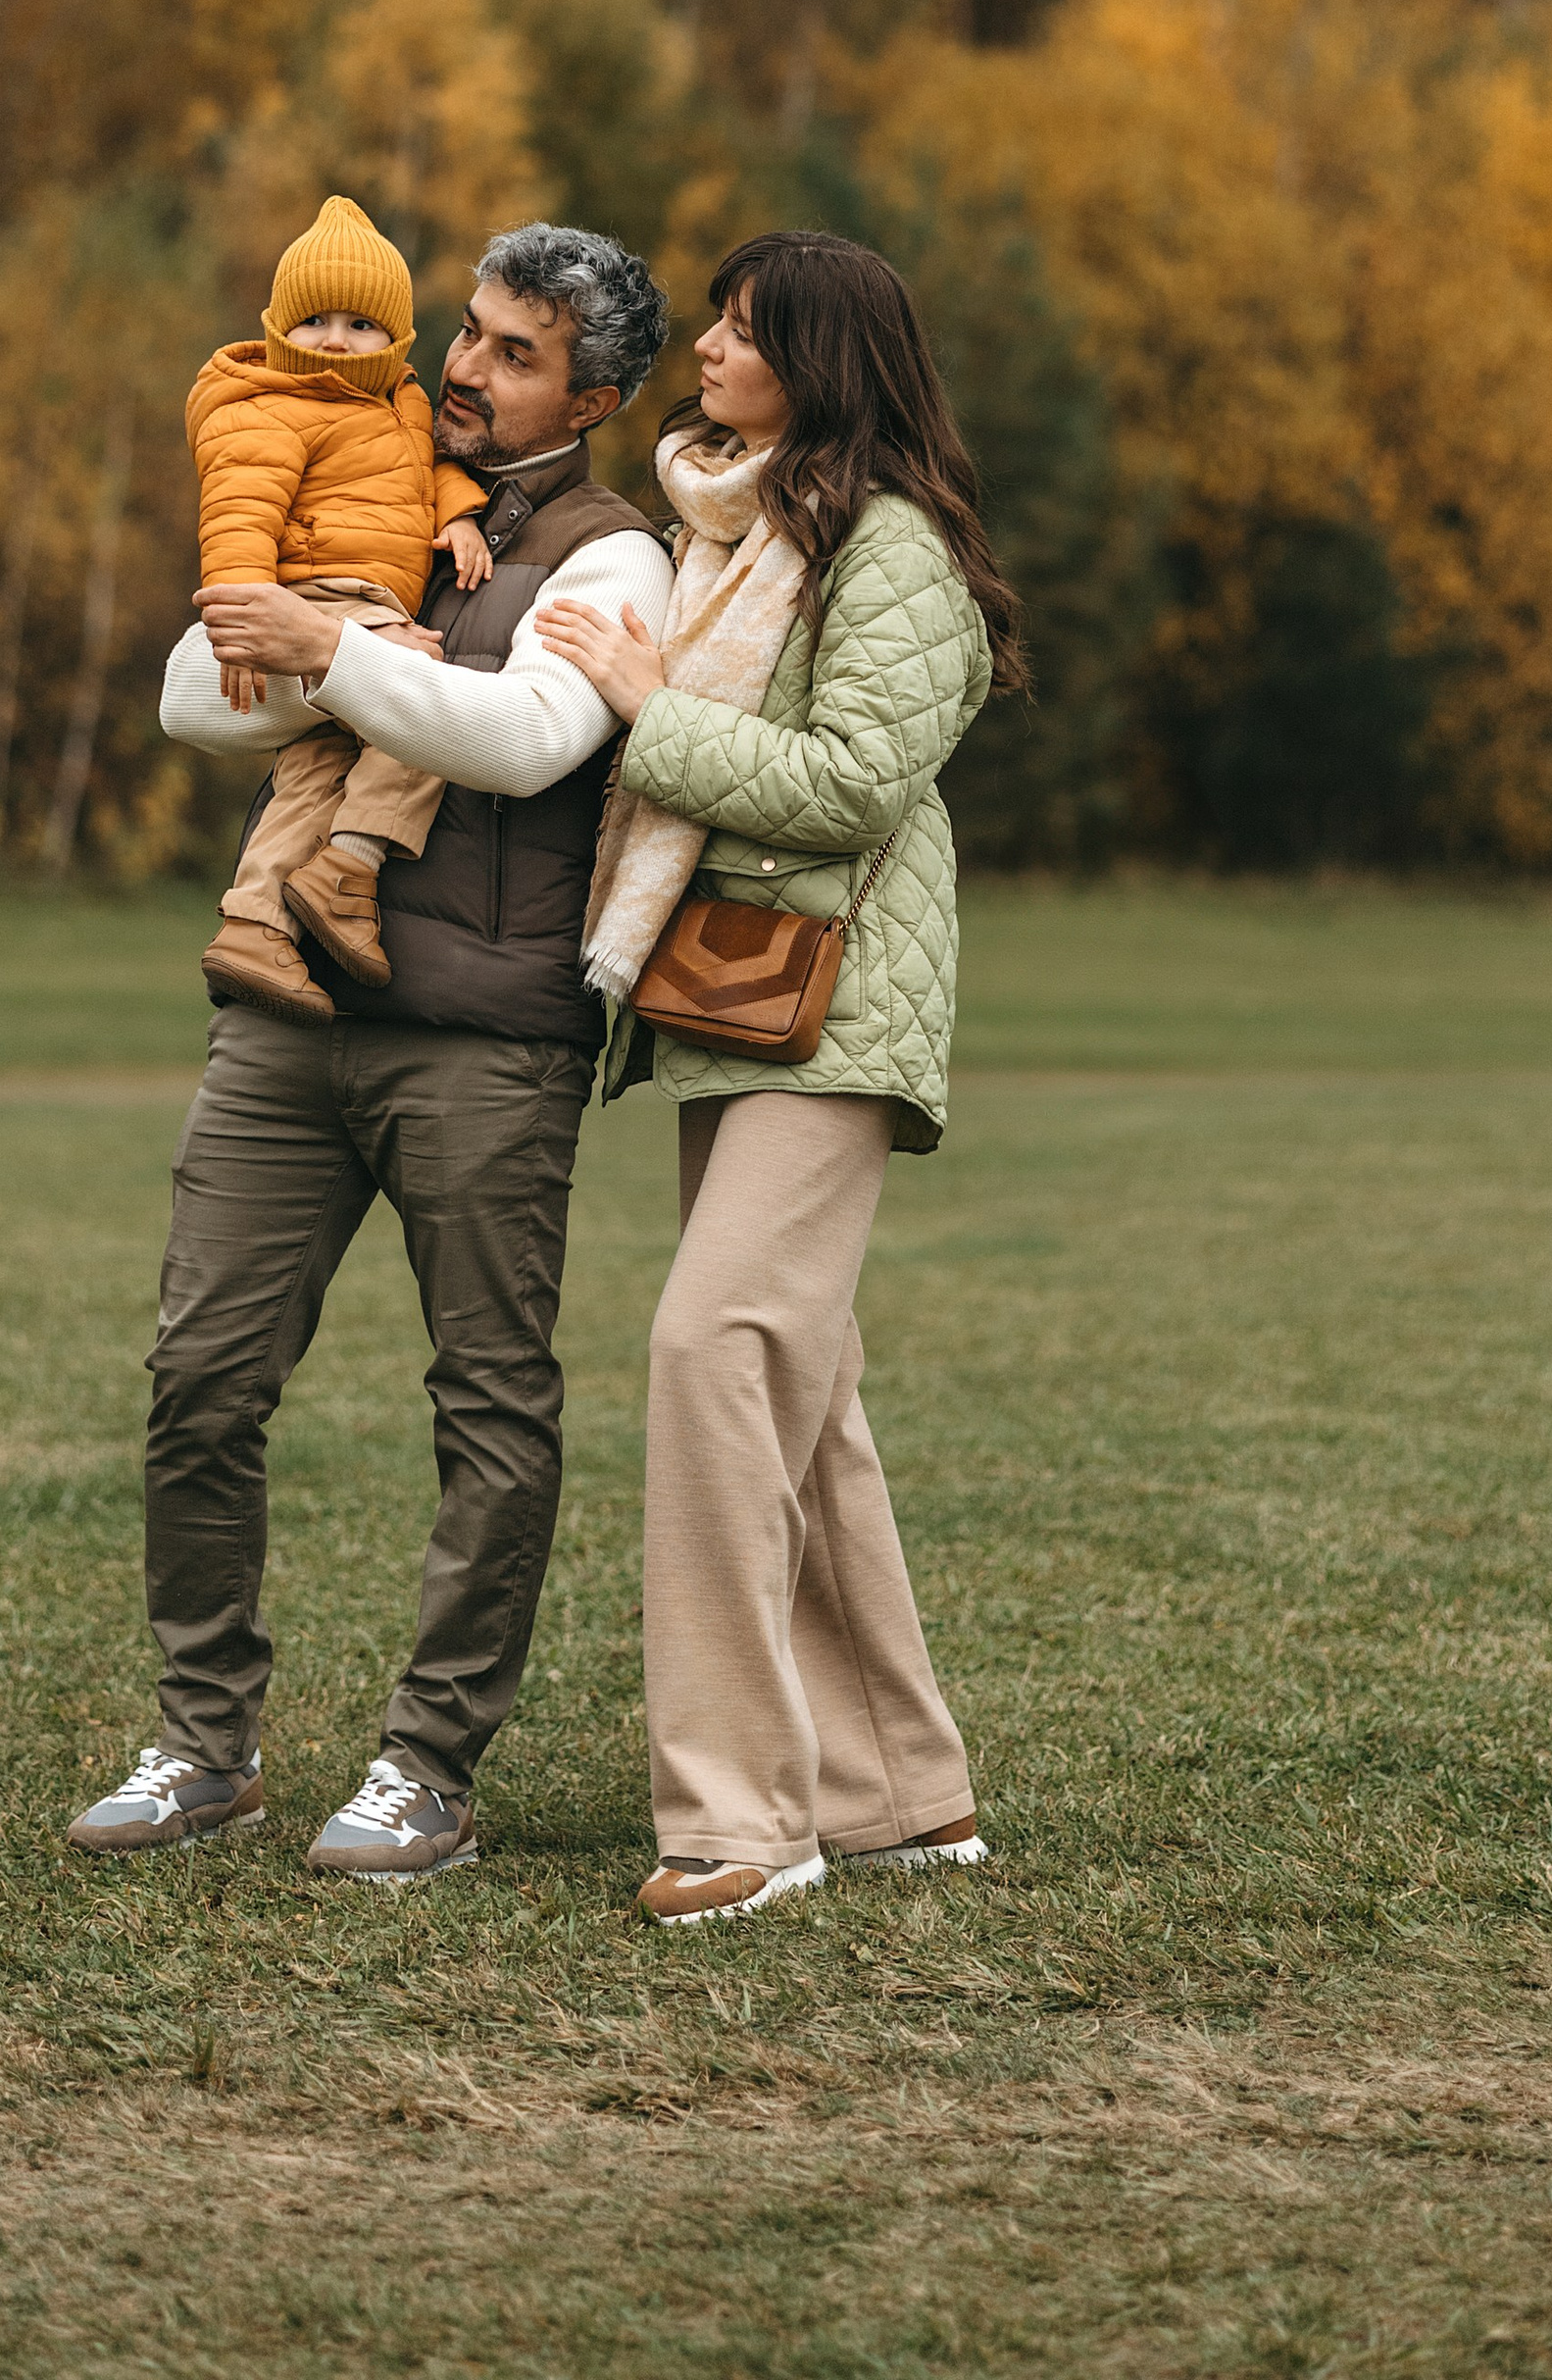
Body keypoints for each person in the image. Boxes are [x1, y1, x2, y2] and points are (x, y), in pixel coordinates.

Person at [65, 223, 673, 1884]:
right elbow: (200, 691)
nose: (465, 369)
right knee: (200, 1380)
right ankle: (205, 1744)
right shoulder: (373, 470)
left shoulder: (618, 560)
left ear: (596, 395)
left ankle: (430, 1770)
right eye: (467, 333)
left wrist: (332, 650)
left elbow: (527, 737)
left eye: (515, 353)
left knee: (487, 1402)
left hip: (481, 1043)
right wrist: (338, 635)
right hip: (285, 1017)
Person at [534, 229, 1027, 1927]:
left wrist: (650, 713)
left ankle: (749, 1819)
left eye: (748, 334)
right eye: (720, 329)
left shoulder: (890, 550)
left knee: (709, 1346)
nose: (713, 355)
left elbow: (851, 781)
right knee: (802, 1404)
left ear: (828, 365)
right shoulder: (738, 531)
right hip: (739, 1007)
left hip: (839, 1009)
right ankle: (896, 1792)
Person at [185, 192, 492, 1018]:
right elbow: (240, 512)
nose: (335, 339)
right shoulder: (269, 405)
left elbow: (421, 466)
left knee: (318, 766)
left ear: (396, 338)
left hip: (368, 595)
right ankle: (350, 866)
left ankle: (253, 925)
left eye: (361, 325)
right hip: (321, 591)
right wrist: (243, 623)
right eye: (316, 319)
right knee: (421, 690)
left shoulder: (403, 399)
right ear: (281, 326)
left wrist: (458, 511)